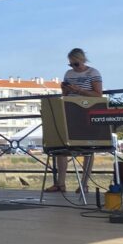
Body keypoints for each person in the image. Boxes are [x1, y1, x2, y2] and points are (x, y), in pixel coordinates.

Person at [44, 48, 103, 193]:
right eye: (71, 64)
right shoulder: (68, 74)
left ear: (83, 60)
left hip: (87, 110)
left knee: (88, 148)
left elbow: (98, 94)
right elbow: (64, 95)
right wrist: (65, 89)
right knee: (62, 146)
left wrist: (79, 90)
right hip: (69, 109)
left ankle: (84, 184)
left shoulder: (93, 73)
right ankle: (60, 183)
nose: (73, 67)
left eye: (76, 64)